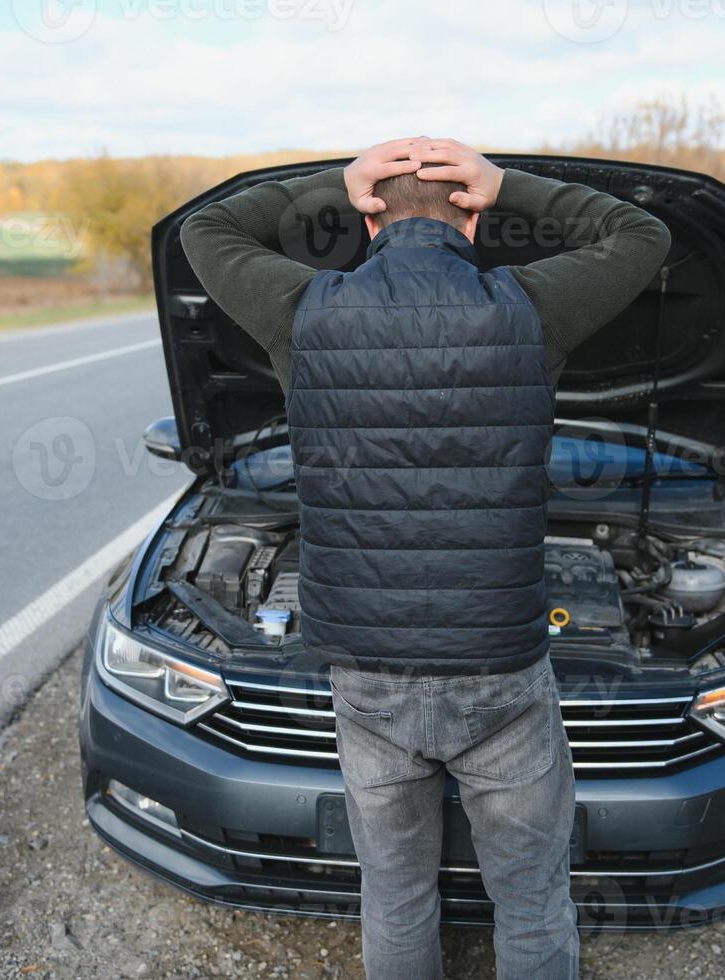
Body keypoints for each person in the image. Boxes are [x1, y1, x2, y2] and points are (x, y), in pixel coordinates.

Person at [182, 137, 669, 980]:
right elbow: (640, 237)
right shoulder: (526, 307)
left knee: (396, 893)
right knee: (530, 897)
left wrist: (336, 182)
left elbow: (208, 229)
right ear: (473, 215)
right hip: (499, 672)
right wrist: (510, 182)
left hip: (365, 675)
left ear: (368, 218)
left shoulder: (303, 308)